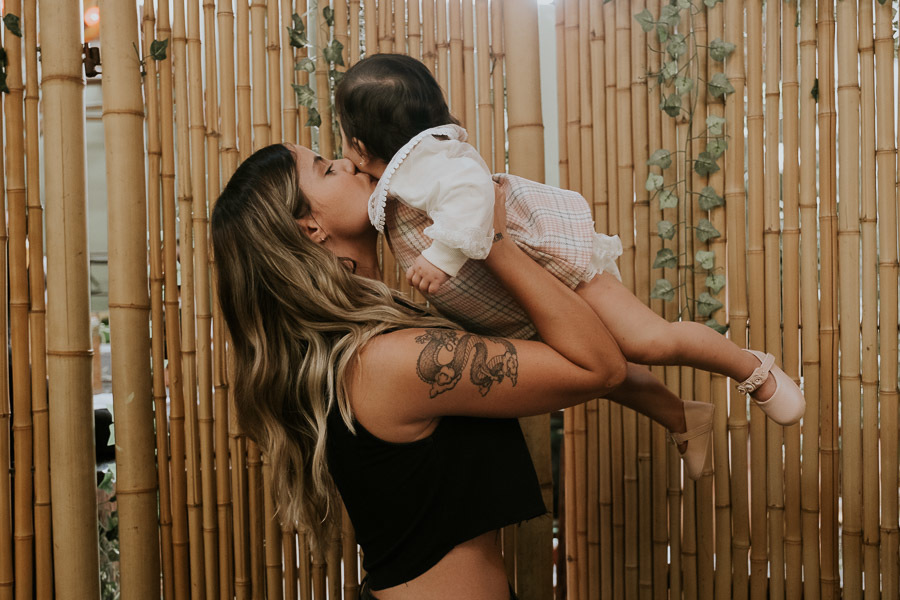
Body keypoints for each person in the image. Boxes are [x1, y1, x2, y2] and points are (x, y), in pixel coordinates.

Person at [212, 143, 711, 599]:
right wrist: (490, 239)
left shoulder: (366, 348)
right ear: (311, 228)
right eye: (324, 168)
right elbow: (597, 367)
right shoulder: (385, 361)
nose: (346, 163)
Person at [334, 53, 805, 429]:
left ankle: (751, 369)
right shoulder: (394, 178)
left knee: (648, 341)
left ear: (358, 144)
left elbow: (471, 191)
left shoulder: (426, 159)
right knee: (608, 365)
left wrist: (440, 257)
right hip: (513, 300)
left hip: (556, 271)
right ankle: (684, 419)